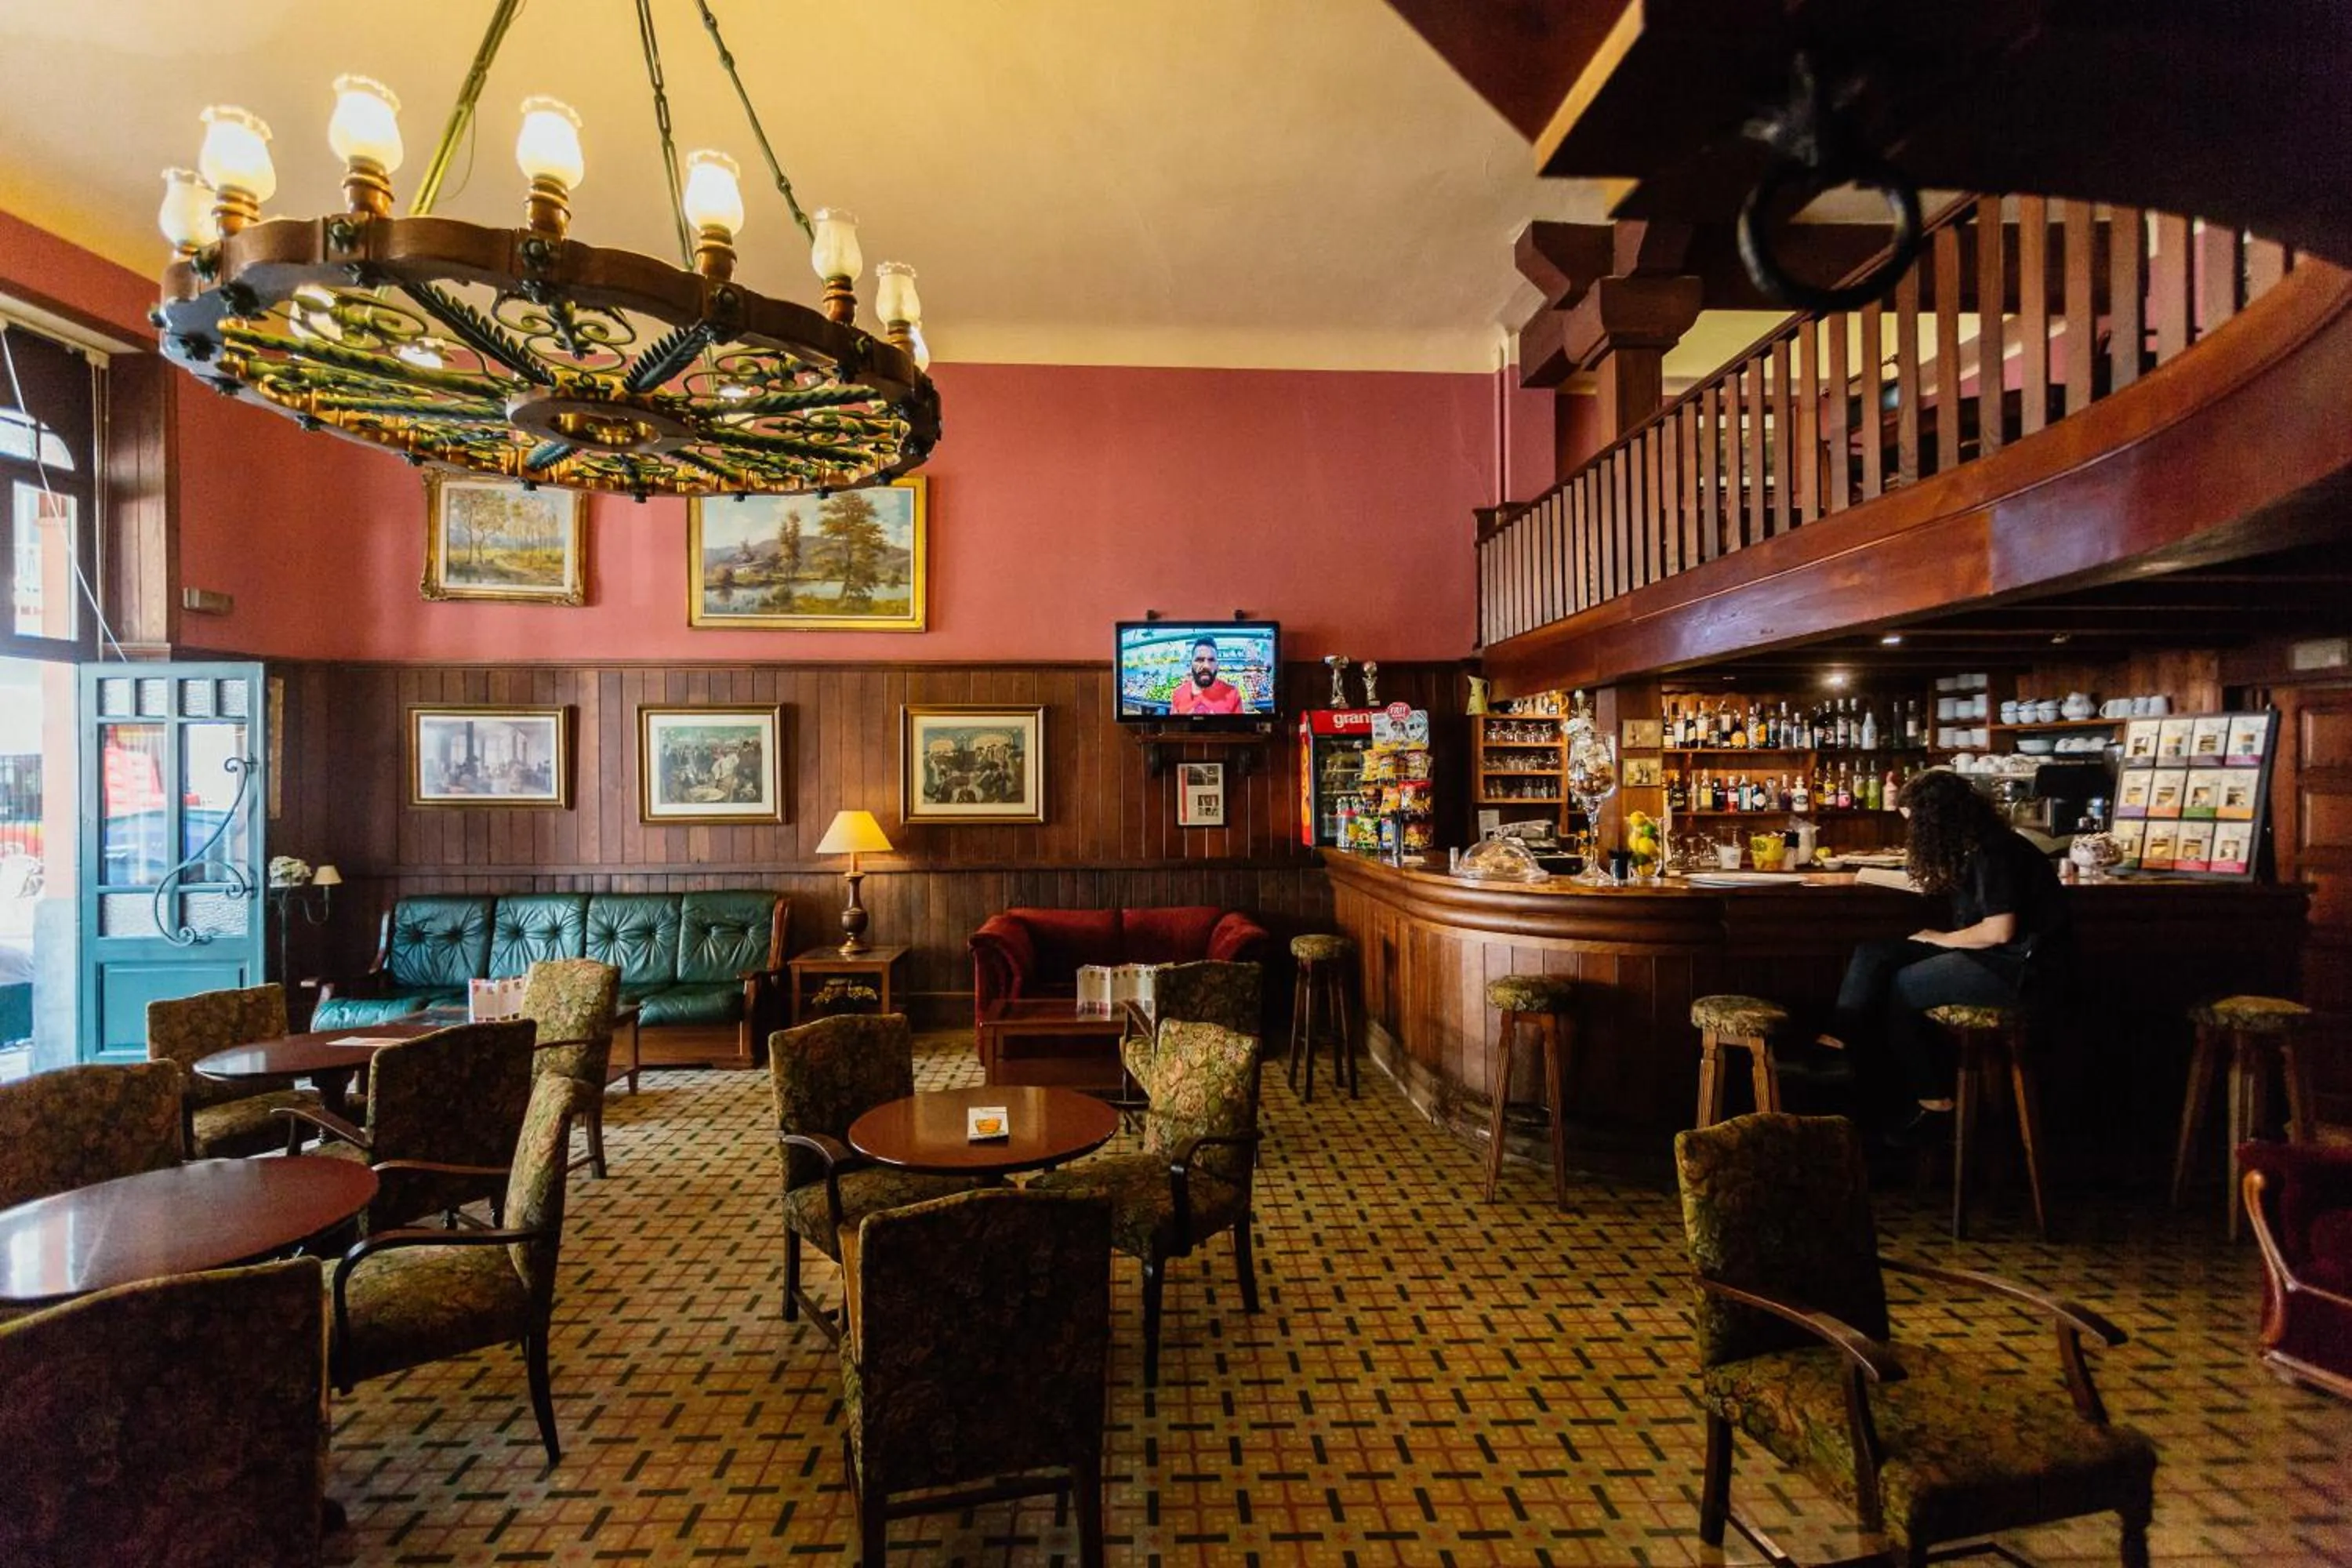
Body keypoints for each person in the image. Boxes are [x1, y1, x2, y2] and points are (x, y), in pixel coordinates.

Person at [1828, 768, 2074, 1141]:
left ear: (1934, 823)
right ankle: (1836, 1047)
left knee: (1902, 986)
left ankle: (1933, 1102)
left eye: (1916, 828)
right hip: (2004, 959)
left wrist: (1942, 939)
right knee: (1875, 955)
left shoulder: (1994, 852)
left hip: (2022, 970)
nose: (1913, 836)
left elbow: (1999, 930)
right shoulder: (1981, 843)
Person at [1169, 637, 1244, 715]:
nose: (1206, 666)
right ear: (1191, 664)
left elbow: (1242, 727)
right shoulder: (1178, 694)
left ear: (1218, 665)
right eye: (1199, 660)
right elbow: (1171, 726)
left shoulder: (1233, 694)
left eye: (1211, 660)